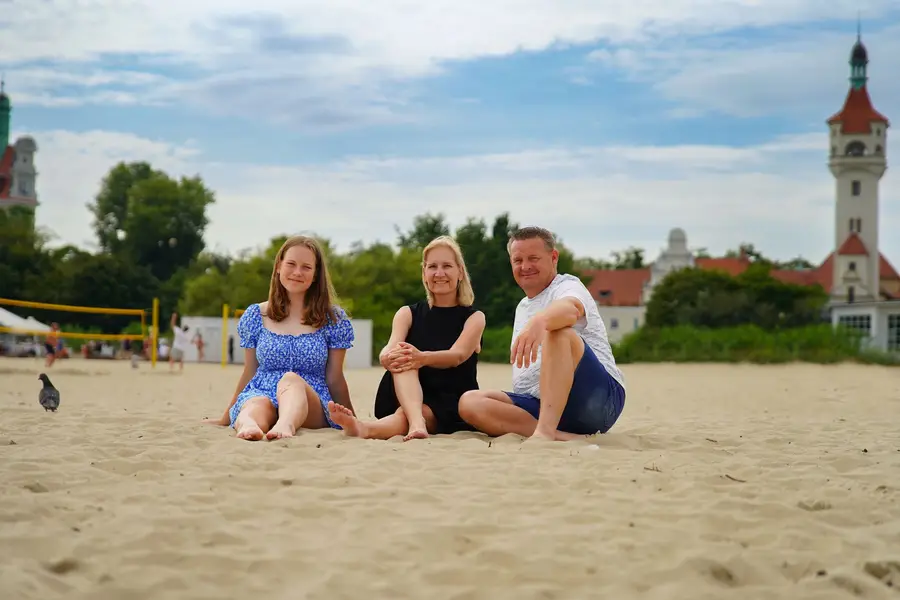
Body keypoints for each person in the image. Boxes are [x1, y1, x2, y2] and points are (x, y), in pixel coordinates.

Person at [458, 226, 626, 441]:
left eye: (533, 258)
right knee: (470, 402)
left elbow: (571, 309)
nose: (525, 266)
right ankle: (561, 436)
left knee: (559, 333)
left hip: (596, 399)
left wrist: (541, 320)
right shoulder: (522, 307)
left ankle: (545, 432)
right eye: (518, 260)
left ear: (553, 257)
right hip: (539, 403)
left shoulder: (567, 286)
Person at [328, 235, 485, 441]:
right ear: (424, 272)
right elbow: (390, 348)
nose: (439, 273)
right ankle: (414, 423)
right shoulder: (407, 313)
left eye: (447, 266)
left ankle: (366, 428)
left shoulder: (474, 317)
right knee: (402, 356)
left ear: (460, 272)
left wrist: (422, 358)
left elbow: (457, 355)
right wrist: (386, 356)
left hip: (451, 398)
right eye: (432, 267)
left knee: (409, 407)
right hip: (407, 390)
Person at [203, 235, 356, 441]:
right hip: (263, 390)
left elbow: (335, 377)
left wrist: (353, 419)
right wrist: (224, 417)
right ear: (278, 267)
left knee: (291, 380)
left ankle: (285, 425)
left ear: (316, 274)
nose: (297, 272)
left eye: (306, 267)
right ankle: (248, 424)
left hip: (310, 401)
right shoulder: (256, 315)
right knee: (256, 403)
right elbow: (250, 371)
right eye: (291, 264)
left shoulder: (332, 319)